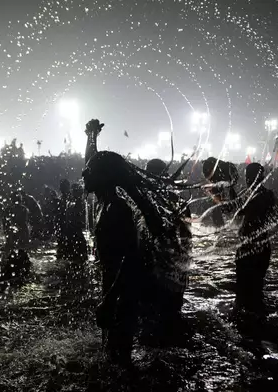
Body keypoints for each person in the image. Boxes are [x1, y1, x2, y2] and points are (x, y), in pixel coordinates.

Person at [84, 119, 190, 363]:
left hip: (121, 294)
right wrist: (91, 138)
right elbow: (93, 164)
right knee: (111, 356)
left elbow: (131, 258)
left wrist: (110, 300)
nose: (83, 172)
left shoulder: (117, 210)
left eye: (89, 170)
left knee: (119, 362)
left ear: (103, 177)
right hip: (114, 290)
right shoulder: (105, 201)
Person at [223, 163, 277, 314]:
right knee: (246, 286)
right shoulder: (251, 193)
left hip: (255, 246)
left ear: (259, 176)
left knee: (251, 286)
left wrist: (231, 188)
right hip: (250, 244)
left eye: (250, 176)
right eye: (247, 176)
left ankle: (250, 320)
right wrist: (230, 188)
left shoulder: (263, 195)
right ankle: (249, 318)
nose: (247, 179)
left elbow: (238, 209)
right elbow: (231, 209)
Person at [202, 157, 239, 227]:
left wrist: (226, 184)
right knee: (217, 211)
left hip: (225, 192)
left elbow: (235, 179)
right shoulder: (224, 167)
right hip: (219, 193)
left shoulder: (227, 167)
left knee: (229, 210)